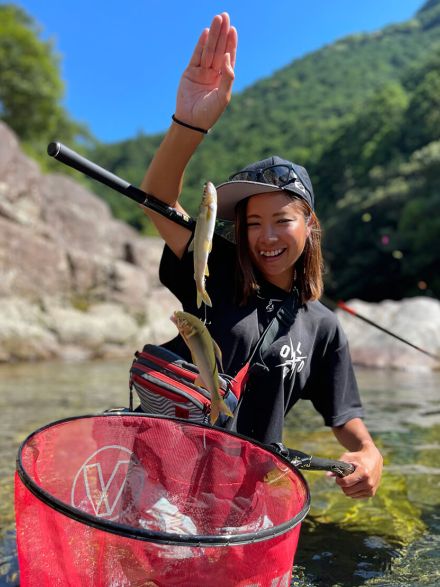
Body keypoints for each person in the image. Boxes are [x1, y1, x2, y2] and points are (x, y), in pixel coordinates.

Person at [140, 13, 383, 499]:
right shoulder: (219, 270)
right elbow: (158, 197)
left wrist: (369, 454)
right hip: (163, 480)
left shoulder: (323, 327)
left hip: (238, 496)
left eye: (282, 220)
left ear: (310, 227)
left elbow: (345, 417)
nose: (265, 236)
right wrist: (190, 120)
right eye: (251, 222)